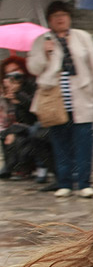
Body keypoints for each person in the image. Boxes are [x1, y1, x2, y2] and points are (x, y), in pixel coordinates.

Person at [27, 1, 93, 198]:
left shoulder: (83, 37)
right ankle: (64, 181)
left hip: (82, 97)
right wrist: (45, 54)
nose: (60, 18)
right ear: (49, 20)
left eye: (63, 14)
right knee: (59, 141)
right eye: (55, 16)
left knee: (84, 141)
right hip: (55, 100)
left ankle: (84, 182)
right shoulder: (42, 40)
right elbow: (33, 68)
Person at [0, 55, 49, 183]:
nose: (13, 75)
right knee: (6, 132)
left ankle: (18, 168)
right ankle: (12, 166)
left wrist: (18, 94)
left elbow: (32, 110)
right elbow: (9, 117)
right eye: (9, 73)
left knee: (14, 133)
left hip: (34, 122)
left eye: (16, 70)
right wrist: (8, 99)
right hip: (18, 124)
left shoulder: (31, 83)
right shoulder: (6, 88)